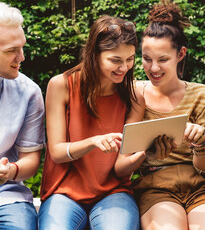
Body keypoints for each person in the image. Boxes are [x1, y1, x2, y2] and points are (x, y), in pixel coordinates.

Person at [115, 0, 205, 230]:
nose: (153, 68)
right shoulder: (135, 94)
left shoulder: (202, 95)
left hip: (202, 185)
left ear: (180, 54)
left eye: (163, 60)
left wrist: (202, 144)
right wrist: (145, 152)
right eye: (147, 59)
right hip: (155, 187)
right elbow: (121, 167)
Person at [38, 15, 145, 230]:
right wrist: (93, 142)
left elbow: (121, 169)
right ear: (94, 54)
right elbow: (57, 152)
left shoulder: (134, 98)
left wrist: (144, 153)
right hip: (63, 192)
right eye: (115, 60)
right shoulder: (62, 85)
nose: (124, 68)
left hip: (113, 193)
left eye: (130, 59)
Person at [0, 2, 45, 230]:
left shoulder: (29, 92)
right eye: (11, 51)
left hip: (8, 196)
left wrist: (11, 172)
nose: (22, 57)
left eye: (22, 47)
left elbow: (31, 160)